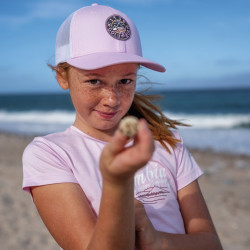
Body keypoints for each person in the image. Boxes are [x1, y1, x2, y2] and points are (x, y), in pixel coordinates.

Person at [22, 3, 223, 250]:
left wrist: (158, 241)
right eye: (94, 81)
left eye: (125, 81)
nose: (112, 99)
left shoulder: (166, 141)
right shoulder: (49, 154)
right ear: (63, 77)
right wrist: (118, 183)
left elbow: (211, 243)